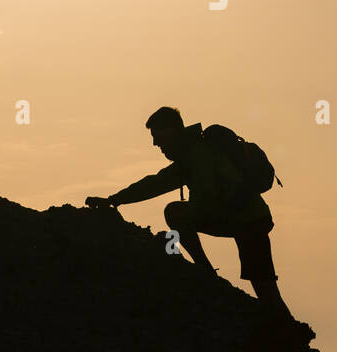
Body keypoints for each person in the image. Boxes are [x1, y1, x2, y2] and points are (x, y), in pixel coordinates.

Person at [86, 106, 294, 321]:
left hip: (247, 221)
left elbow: (206, 196)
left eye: (158, 136)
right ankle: (286, 332)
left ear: (172, 131)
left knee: (265, 289)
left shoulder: (197, 154)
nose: (156, 143)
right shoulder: (191, 155)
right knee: (266, 289)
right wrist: (114, 200)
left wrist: (173, 236)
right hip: (248, 220)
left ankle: (205, 271)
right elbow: (155, 184)